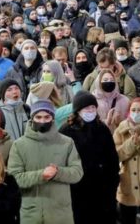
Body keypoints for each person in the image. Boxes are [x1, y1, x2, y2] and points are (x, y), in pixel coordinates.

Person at [7, 99, 84, 224]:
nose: (42, 121)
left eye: (47, 117)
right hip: (32, 214)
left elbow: (77, 173)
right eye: (38, 117)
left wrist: (57, 172)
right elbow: (14, 178)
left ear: (52, 118)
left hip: (60, 214)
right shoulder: (19, 145)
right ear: (32, 118)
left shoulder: (66, 142)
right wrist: (41, 175)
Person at [59, 91, 120, 224]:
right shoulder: (66, 131)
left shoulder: (102, 128)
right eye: (87, 108)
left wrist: (113, 182)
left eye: (93, 107)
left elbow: (112, 158)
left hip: (102, 188)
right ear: (78, 111)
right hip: (78, 189)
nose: (91, 111)